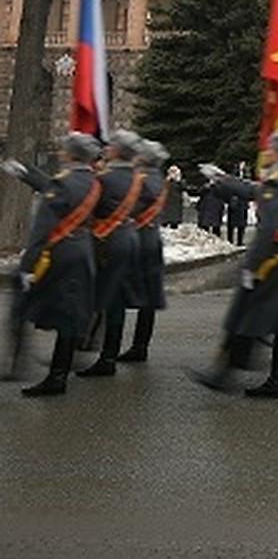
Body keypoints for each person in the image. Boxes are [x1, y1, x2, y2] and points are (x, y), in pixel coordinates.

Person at [189, 131, 278, 398]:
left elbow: (266, 230)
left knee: (246, 313)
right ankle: (262, 376)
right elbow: (254, 190)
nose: (266, 151)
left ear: (277, 153)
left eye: (270, 147)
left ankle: (230, 375)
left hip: (274, 257)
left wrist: (251, 267)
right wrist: (223, 179)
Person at [2, 131, 102, 396]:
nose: (60, 152)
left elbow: (41, 230)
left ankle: (19, 363)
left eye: (63, 149)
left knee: (22, 300)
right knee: (69, 312)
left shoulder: (63, 182)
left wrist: (26, 267)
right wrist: (26, 173)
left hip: (57, 254)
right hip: (82, 250)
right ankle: (59, 373)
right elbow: (57, 189)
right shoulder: (92, 181)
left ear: (69, 154)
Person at [75, 129, 145, 379]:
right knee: (114, 302)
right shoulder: (138, 178)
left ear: (117, 151)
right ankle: (107, 353)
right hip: (128, 238)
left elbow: (78, 201)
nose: (108, 147)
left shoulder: (105, 178)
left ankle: (100, 355)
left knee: (102, 298)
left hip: (106, 243)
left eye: (112, 145)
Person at [116, 137, 171, 364]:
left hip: (136, 240)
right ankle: (140, 346)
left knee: (115, 294)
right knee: (147, 298)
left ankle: (101, 348)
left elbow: (128, 209)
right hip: (151, 239)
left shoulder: (141, 181)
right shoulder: (158, 178)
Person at [161, 163, 184, 228]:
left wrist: (178, 180)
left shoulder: (179, 181)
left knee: (174, 219)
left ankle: (174, 225)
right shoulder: (166, 181)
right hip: (167, 201)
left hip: (176, 202)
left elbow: (184, 188)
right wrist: (167, 180)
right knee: (165, 218)